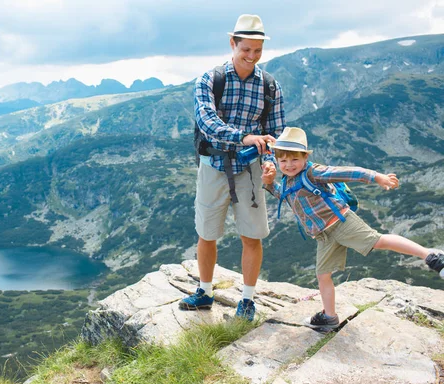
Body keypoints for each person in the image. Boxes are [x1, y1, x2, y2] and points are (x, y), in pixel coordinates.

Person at [261, 126, 444, 329]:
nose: (289, 165)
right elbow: (285, 196)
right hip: (323, 235)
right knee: (323, 275)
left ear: (305, 157)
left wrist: (377, 177)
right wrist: (269, 184)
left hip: (341, 222)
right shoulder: (288, 180)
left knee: (377, 241)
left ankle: (432, 257)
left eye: (294, 159)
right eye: (283, 161)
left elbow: (348, 172)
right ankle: (329, 317)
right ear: (277, 161)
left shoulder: (314, 172)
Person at [179, 14, 286, 320]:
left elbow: (274, 130)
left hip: (250, 166)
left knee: (252, 236)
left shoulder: (269, 86)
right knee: (207, 233)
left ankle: (248, 300)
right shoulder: (210, 80)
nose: (251, 56)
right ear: (233, 43)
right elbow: (207, 123)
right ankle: (205, 291)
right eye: (246, 49)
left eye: (257, 50)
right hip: (213, 163)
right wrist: (245, 136)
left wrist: (269, 162)